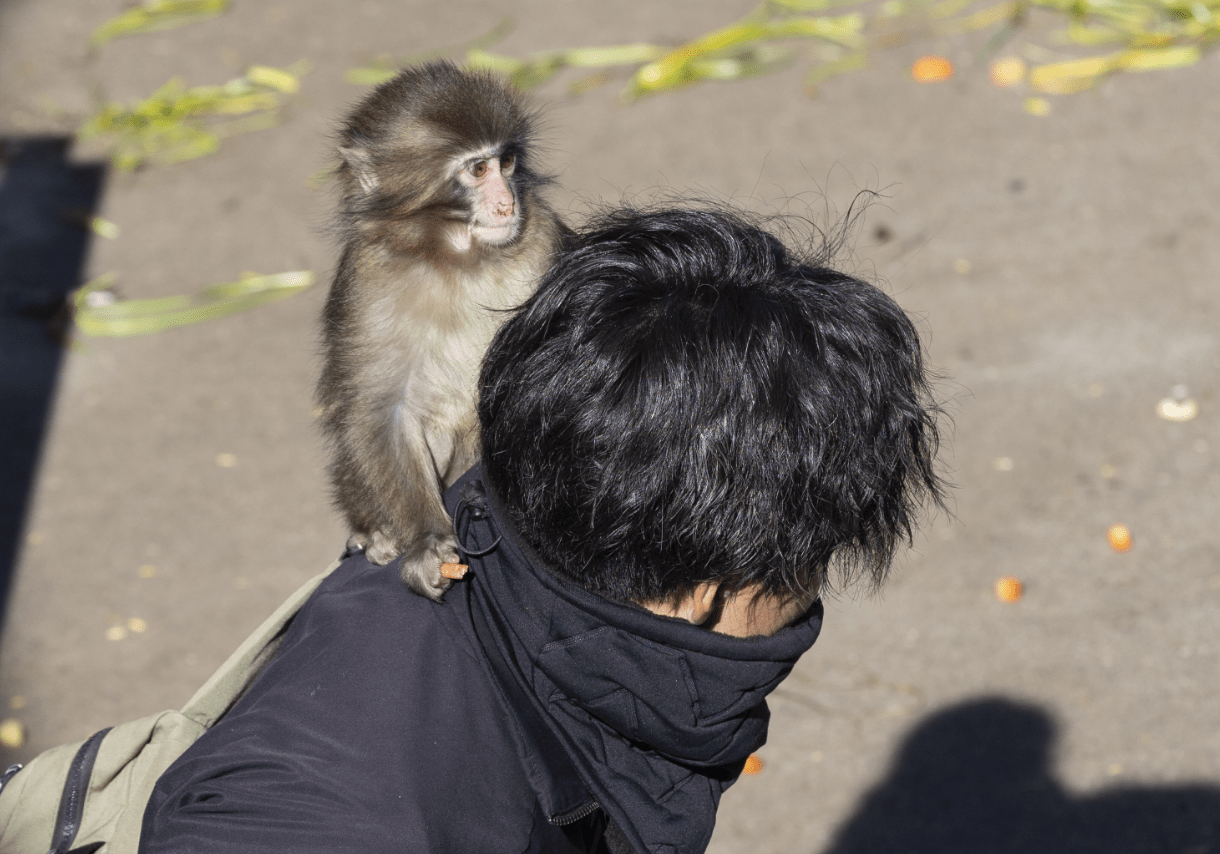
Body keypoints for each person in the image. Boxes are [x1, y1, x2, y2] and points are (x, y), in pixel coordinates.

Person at [139, 206, 946, 854]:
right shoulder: (348, 816)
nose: (802, 610)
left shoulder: (505, 512)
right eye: (803, 577)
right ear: (710, 596)